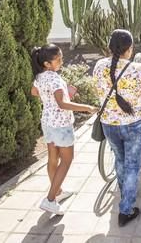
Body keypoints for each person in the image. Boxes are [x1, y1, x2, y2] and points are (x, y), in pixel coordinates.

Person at [93, 29, 141, 227]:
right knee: (132, 166)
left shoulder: (98, 66)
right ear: (129, 49)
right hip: (135, 124)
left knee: (120, 161)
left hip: (109, 124)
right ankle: (126, 209)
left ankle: (125, 195)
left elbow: (98, 88)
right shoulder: (138, 69)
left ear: (109, 47)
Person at [30, 44, 97, 216]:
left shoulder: (40, 76)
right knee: (66, 161)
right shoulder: (55, 79)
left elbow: (34, 92)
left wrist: (63, 93)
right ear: (47, 63)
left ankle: (57, 192)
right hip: (61, 125)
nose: (61, 61)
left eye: (61, 58)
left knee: (53, 159)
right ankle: (50, 199)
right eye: (58, 59)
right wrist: (87, 108)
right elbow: (62, 104)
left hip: (47, 122)